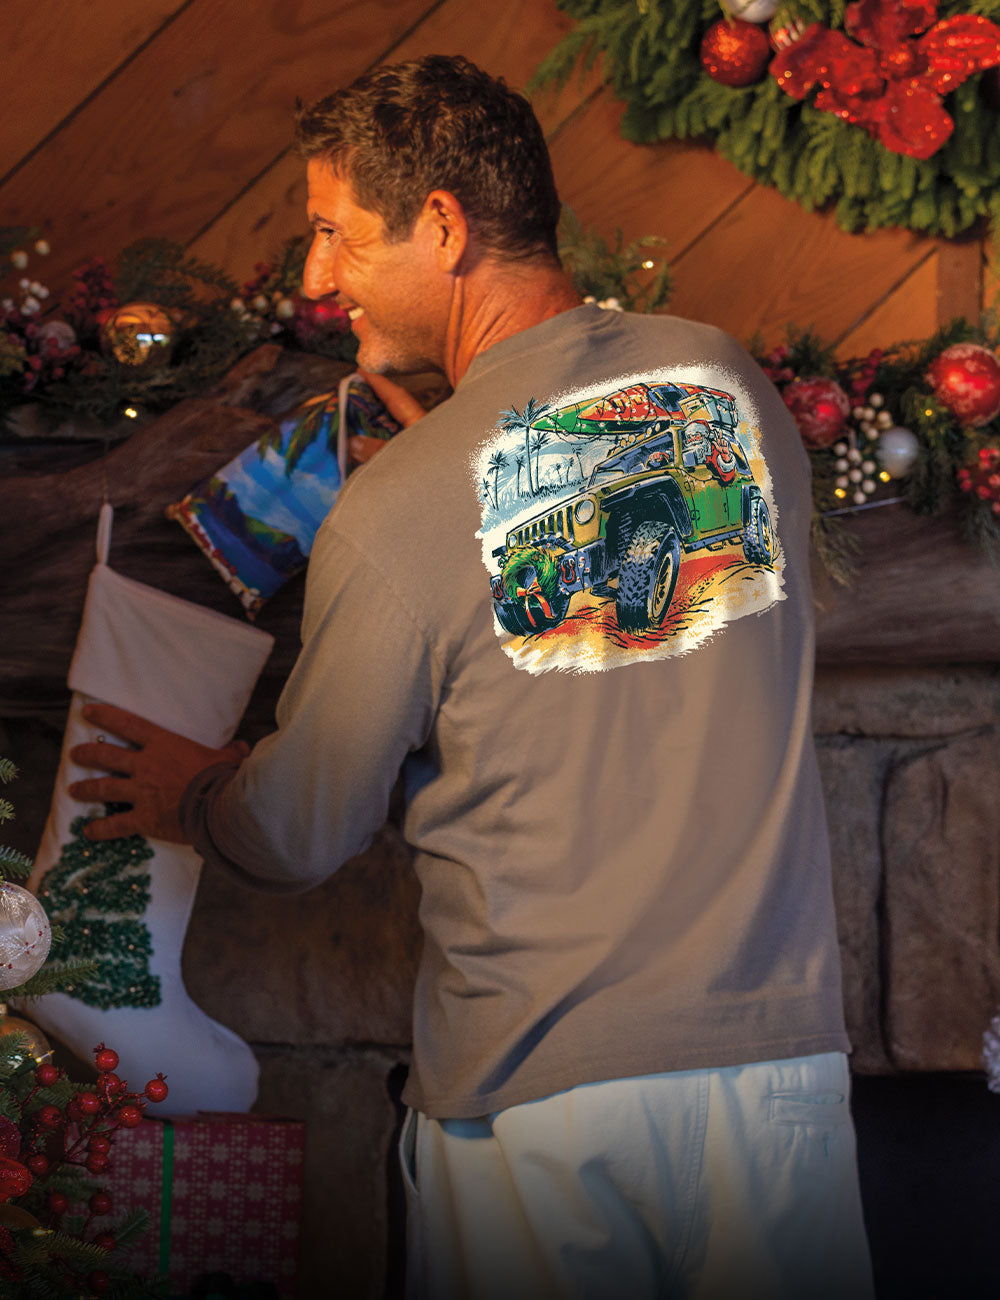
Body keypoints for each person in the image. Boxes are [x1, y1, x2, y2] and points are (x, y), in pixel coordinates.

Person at [68, 55, 874, 1300]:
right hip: (774, 1085)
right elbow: (628, 618)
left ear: (442, 225)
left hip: (539, 1114)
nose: (316, 277)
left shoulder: (403, 507)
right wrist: (468, 459)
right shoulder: (727, 386)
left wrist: (195, 797)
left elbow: (300, 828)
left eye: (335, 232)